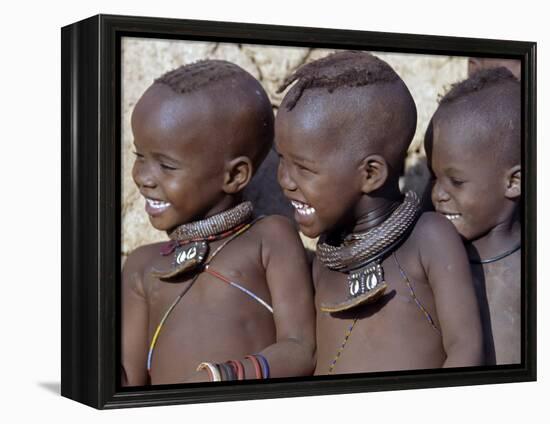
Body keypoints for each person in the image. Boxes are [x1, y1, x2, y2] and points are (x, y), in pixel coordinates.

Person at [275, 51, 483, 374]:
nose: (284, 180)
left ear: (370, 174)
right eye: (281, 160)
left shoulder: (428, 239)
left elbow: (466, 349)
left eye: (302, 167)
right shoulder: (328, 259)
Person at [122, 60, 315, 386]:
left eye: (166, 165)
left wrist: (223, 377)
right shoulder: (142, 266)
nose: (142, 177)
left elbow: (301, 349)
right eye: (139, 155)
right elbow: (128, 381)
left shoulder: (268, 238)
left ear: (235, 175)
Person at [426, 67, 521, 365]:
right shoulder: (430, 257)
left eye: (456, 181)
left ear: (513, 182)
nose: (438, 194)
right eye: (434, 177)